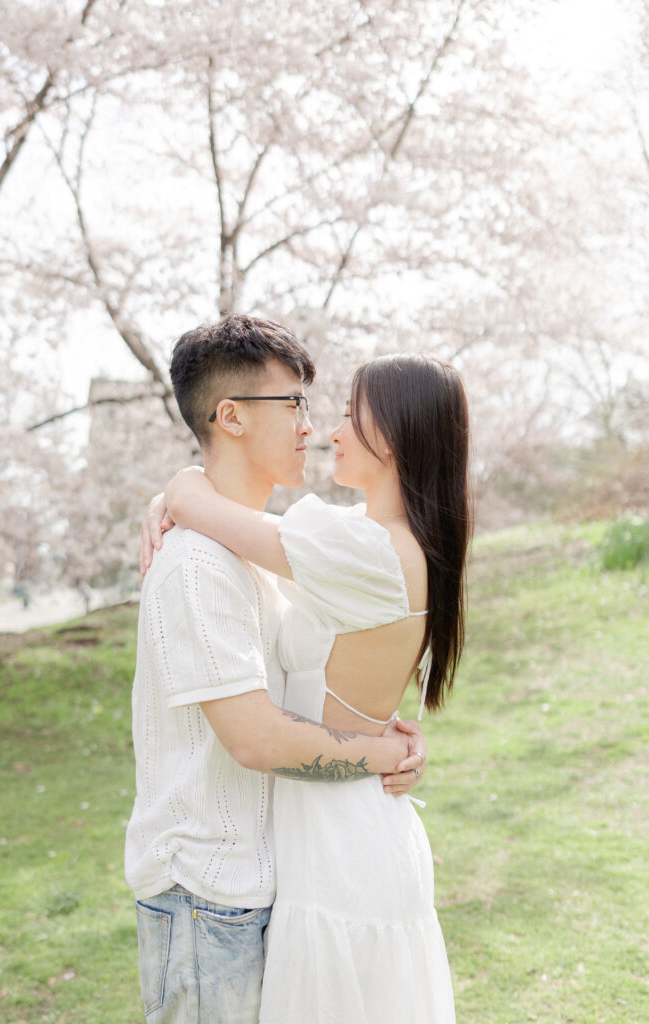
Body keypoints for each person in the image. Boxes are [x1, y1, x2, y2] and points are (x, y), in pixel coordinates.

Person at [144, 349, 471, 1023]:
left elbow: (209, 510)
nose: (329, 429)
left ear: (398, 431)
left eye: (352, 415)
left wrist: (180, 490)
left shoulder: (368, 553)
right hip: (339, 830)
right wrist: (182, 487)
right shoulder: (370, 540)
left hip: (337, 844)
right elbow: (233, 520)